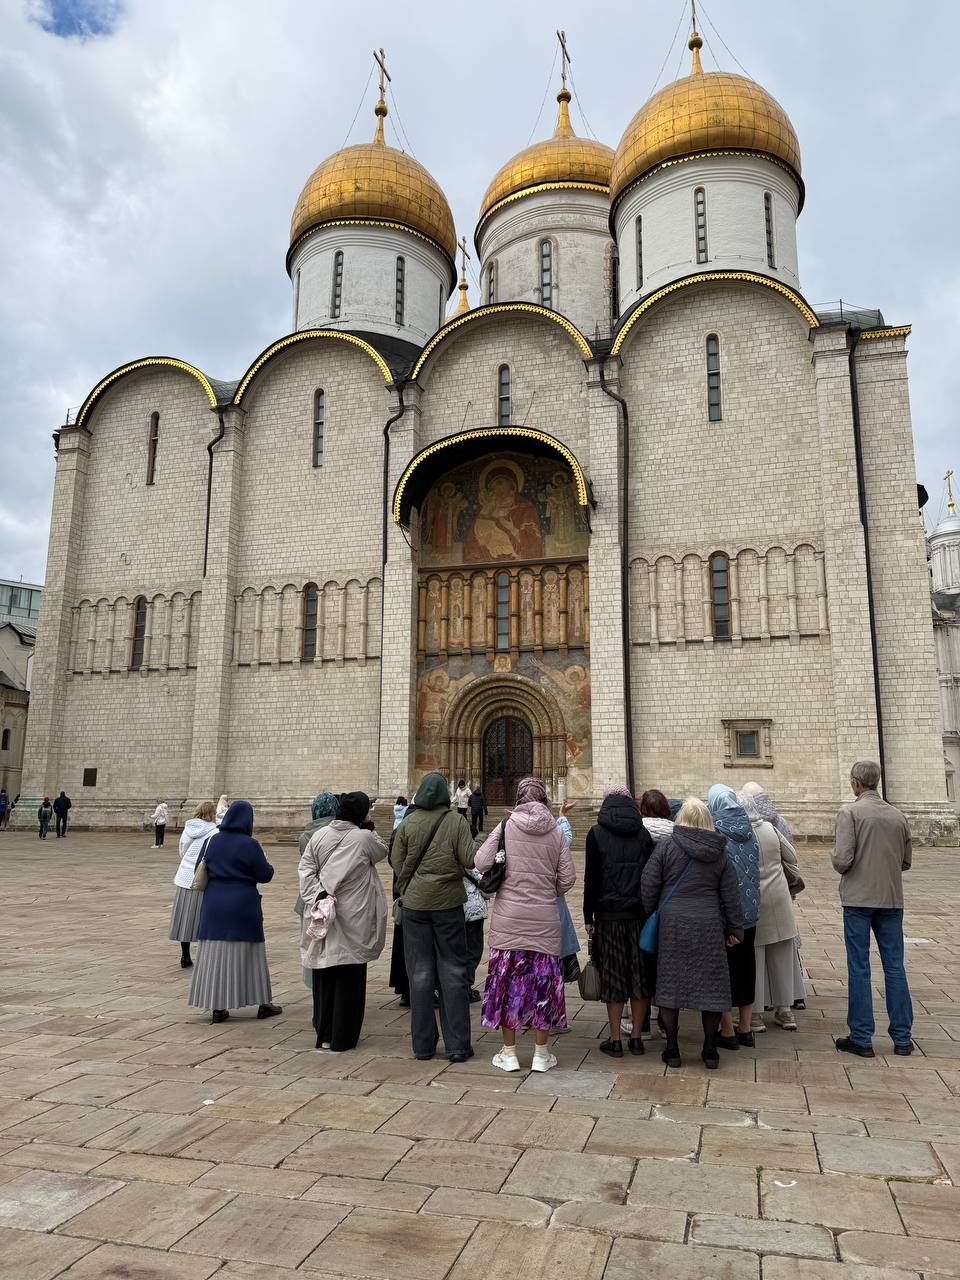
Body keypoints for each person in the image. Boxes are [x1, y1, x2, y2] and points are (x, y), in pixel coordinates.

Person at [475, 775, 576, 1073]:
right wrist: (547, 891)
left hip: (509, 922)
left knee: (508, 985)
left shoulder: (506, 826)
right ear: (544, 799)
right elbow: (568, 879)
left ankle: (508, 1054)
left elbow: (480, 862)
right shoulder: (556, 832)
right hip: (544, 923)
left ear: (519, 798)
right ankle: (541, 1055)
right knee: (543, 986)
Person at [641, 797, 744, 1069]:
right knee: (711, 988)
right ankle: (710, 1050)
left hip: (673, 923)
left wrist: (653, 911)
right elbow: (731, 894)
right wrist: (735, 928)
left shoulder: (667, 846)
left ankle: (672, 1049)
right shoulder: (719, 852)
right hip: (709, 924)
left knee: (671, 985)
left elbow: (649, 884)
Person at [390, 771, 476, 1062]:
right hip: (448, 905)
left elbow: (396, 862)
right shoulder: (457, 821)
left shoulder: (408, 822)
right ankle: (458, 1046)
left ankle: (423, 1046)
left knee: (420, 974)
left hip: (414, 906)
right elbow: (469, 859)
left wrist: (410, 885)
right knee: (453, 972)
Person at [831, 760, 914, 1058]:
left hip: (858, 900)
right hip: (891, 900)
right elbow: (906, 861)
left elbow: (842, 860)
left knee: (859, 967)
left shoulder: (850, 812)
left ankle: (862, 1037)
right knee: (895, 967)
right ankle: (903, 1037)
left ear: (855, 783)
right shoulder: (897, 815)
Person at [299, 791, 388, 1051]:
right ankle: (343, 1037)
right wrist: (369, 827)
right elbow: (382, 851)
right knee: (350, 975)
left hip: (325, 912)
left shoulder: (320, 835)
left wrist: (318, 895)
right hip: (354, 915)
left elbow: (305, 870)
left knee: (325, 973)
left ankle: (324, 1032)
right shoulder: (364, 838)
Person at [187, 799, 282, 1024]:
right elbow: (265, 875)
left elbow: (198, 868)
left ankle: (218, 1007)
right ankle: (263, 1003)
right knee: (251, 954)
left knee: (214, 954)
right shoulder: (250, 844)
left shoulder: (212, 841)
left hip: (214, 905)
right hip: (243, 905)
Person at [584, 785, 654, 1057]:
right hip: (638, 915)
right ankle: (636, 1037)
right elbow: (649, 877)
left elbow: (592, 878)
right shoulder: (643, 833)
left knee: (613, 977)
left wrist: (588, 915)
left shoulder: (596, 833)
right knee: (639, 975)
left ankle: (615, 1040)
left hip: (609, 916)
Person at [736, 791, 800, 1035]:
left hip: (756, 901)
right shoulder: (771, 830)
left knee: (757, 960)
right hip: (780, 899)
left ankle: (756, 1016)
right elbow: (792, 856)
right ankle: (785, 1011)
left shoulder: (742, 834)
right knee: (782, 956)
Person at [708, 784, 761, 1044]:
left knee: (723, 970)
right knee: (746, 966)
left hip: (725, 914)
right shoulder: (750, 831)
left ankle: (727, 1030)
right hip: (749, 911)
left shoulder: (715, 832)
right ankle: (746, 1028)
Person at [296, 793, 340, 990]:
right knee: (333, 944)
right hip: (333, 894)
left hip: (310, 896)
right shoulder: (338, 832)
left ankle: (316, 989)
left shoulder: (305, 835)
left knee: (312, 942)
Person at [169, 801, 218, 968]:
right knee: (203, 917)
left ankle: (185, 955)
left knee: (184, 917)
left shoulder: (188, 828)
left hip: (184, 877)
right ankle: (205, 956)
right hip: (203, 879)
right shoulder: (215, 831)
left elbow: (182, 851)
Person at [463, 861, 488, 1001]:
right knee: (473, 949)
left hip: (451, 906)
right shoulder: (470, 851)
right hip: (472, 907)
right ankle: (465, 986)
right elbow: (484, 880)